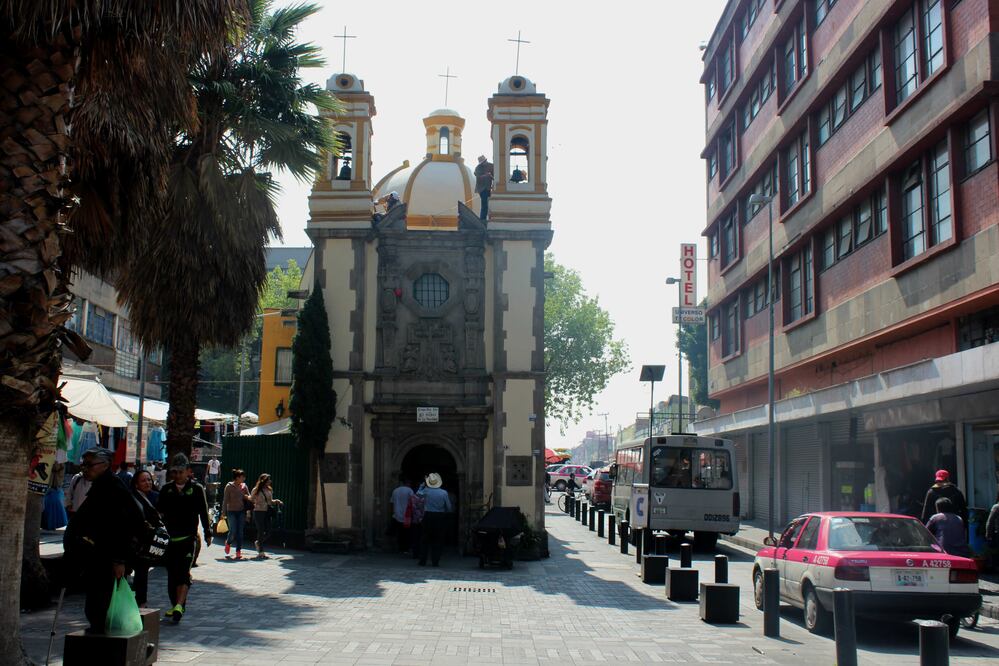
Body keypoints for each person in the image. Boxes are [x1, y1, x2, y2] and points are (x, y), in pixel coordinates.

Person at [63, 448, 144, 633]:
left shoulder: (113, 488)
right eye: (83, 464)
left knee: (101, 604)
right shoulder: (101, 486)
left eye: (89, 464)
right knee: (95, 604)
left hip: (107, 558)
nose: (84, 468)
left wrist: (119, 560)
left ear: (105, 465)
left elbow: (122, 527)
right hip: (97, 556)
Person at [157, 453, 211, 623]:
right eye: (174, 472)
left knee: (183, 573)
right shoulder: (166, 490)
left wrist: (208, 532)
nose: (178, 475)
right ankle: (176, 604)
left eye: (181, 472)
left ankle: (180, 605)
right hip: (170, 539)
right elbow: (159, 512)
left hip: (188, 538)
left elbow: (203, 511)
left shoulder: (196, 489)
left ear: (188, 471)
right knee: (172, 575)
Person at [130, 470, 164, 608]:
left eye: (149, 480)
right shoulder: (132, 498)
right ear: (136, 484)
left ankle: (141, 602)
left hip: (148, 542)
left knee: (142, 572)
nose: (147, 483)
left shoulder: (155, 497)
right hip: (134, 541)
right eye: (143, 480)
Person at [417, 472, 452, 567]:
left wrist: (422, 486)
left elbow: (418, 495)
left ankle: (422, 560)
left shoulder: (426, 491)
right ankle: (435, 561)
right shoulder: (444, 492)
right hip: (439, 517)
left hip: (428, 516)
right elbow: (448, 507)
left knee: (425, 539)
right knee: (437, 540)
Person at [250, 473, 283, 558]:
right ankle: (261, 551)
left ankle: (258, 542)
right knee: (260, 530)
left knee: (268, 531)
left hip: (267, 512)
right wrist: (252, 507)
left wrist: (277, 501)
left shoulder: (269, 490)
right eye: (268, 480)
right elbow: (251, 500)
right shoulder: (256, 490)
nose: (270, 481)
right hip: (258, 512)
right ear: (263, 481)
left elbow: (270, 501)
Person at [222, 468, 252, 560]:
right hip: (231, 511)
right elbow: (225, 500)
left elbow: (249, 498)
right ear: (237, 477)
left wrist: (248, 498)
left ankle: (238, 551)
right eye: (242, 477)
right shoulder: (229, 486)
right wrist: (223, 512)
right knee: (233, 531)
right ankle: (228, 542)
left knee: (240, 532)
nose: (244, 479)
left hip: (241, 511)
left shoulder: (244, 486)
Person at [390, 477, 414, 554]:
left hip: (396, 514)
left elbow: (391, 502)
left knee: (399, 532)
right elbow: (413, 502)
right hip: (407, 515)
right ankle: (405, 549)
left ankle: (399, 548)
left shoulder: (395, 490)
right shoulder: (409, 490)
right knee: (407, 533)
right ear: (408, 484)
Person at [474, 156, 493, 221]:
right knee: (484, 205)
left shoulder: (491, 166)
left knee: (490, 204)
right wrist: (486, 175)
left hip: (488, 188)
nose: (484, 163)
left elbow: (494, 176)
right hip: (482, 189)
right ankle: (482, 220)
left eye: (484, 162)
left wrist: (491, 176)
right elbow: (477, 176)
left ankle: (488, 218)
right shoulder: (478, 167)